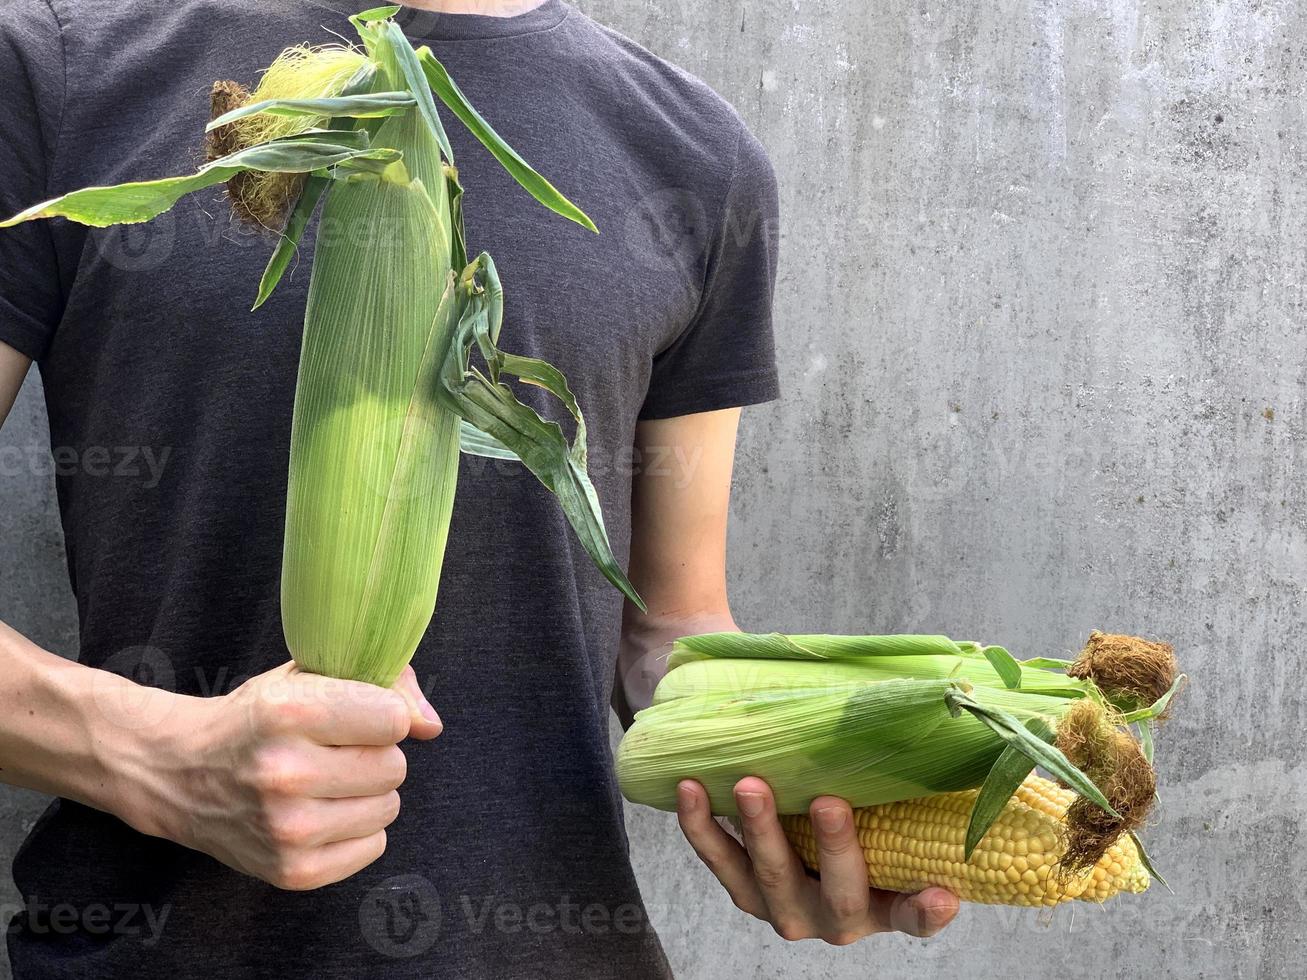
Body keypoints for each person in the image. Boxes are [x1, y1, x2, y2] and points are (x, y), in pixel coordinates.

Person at [0, 0, 958, 975]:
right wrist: (167, 756)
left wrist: (806, 789)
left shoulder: (695, 156)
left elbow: (665, 626)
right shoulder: (64, 71)